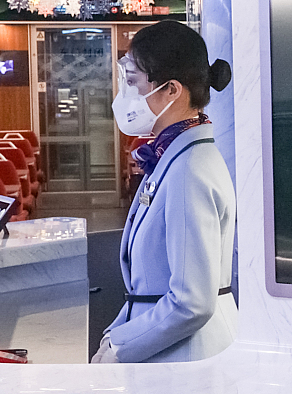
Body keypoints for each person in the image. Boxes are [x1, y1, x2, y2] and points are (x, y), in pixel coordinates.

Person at [92, 21, 236, 364]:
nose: (125, 96)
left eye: (133, 83)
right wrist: (115, 334)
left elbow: (191, 303)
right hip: (171, 347)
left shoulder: (189, 171)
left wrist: (119, 348)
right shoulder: (176, 156)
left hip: (187, 356)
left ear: (171, 90)